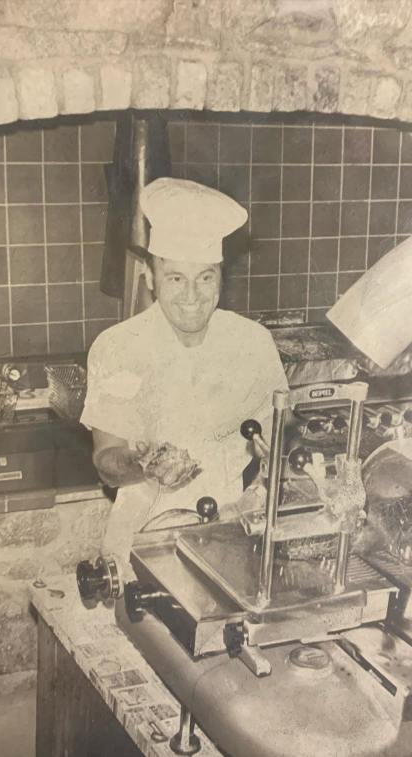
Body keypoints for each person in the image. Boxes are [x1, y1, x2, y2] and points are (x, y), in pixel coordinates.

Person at [80, 177, 288, 561]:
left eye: (205, 277)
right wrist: (143, 464)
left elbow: (275, 447)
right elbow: (106, 464)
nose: (192, 297)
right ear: (150, 277)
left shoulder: (253, 343)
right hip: (140, 540)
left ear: (220, 278)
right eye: (176, 278)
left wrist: (263, 487)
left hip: (231, 533)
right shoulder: (118, 347)